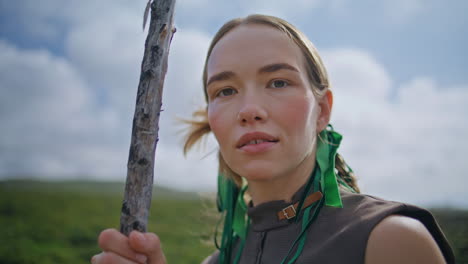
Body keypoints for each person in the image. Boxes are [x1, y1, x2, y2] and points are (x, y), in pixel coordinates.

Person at [91, 14, 455, 264]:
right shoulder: (219, 261)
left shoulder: (390, 242)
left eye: (278, 82)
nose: (249, 110)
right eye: (226, 90)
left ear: (323, 110)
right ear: (212, 119)